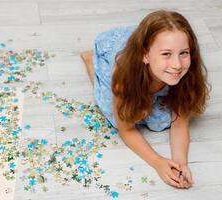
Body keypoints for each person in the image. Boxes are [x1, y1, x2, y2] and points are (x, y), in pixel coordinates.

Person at [80, 10, 210, 189]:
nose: (177, 65)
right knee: (115, 113)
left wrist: (180, 164)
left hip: (148, 56)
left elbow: (180, 124)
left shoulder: (185, 73)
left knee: (160, 121)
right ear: (145, 55)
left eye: (184, 53)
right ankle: (91, 61)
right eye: (166, 54)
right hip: (122, 62)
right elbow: (127, 131)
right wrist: (158, 162)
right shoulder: (124, 80)